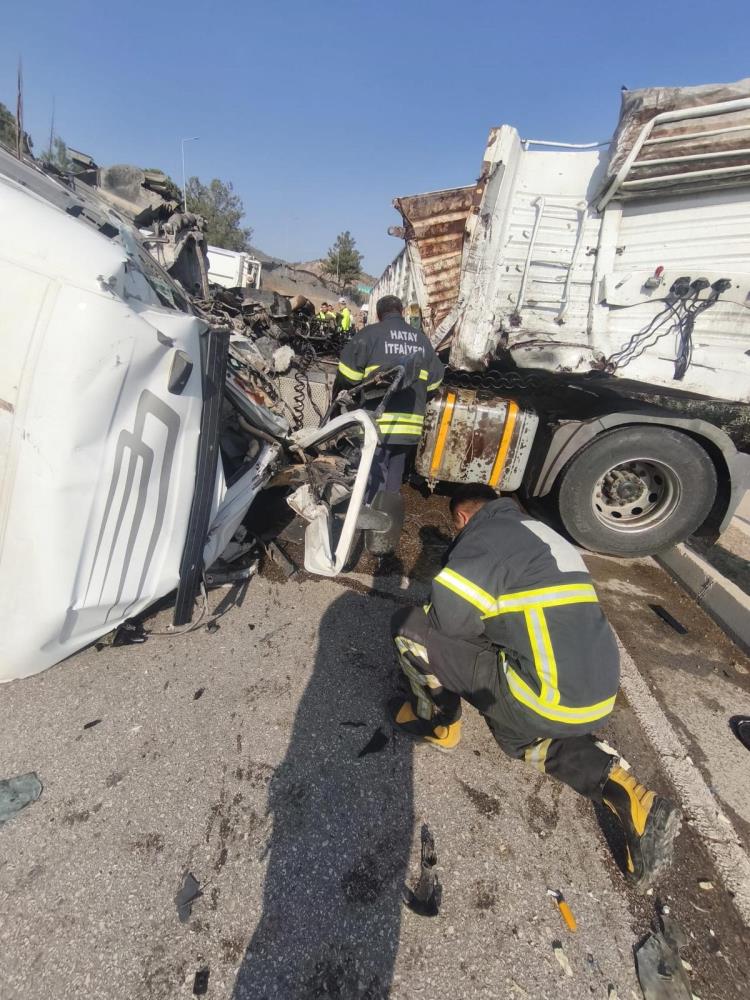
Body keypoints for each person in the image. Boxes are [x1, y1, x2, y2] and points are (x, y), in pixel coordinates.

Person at [389, 484, 681, 888]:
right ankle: (632, 799)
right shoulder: (546, 537)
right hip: (595, 697)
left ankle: (437, 723)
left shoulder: (486, 535)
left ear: (463, 518)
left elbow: (446, 620)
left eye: (456, 530)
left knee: (409, 628)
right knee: (515, 736)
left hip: (542, 696)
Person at [333, 294, 444, 502]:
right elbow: (434, 383)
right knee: (394, 476)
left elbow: (348, 377)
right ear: (402, 312)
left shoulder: (369, 334)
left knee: (374, 478)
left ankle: (368, 514)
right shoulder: (422, 340)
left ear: (377, 314)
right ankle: (387, 514)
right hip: (409, 426)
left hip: (377, 424)